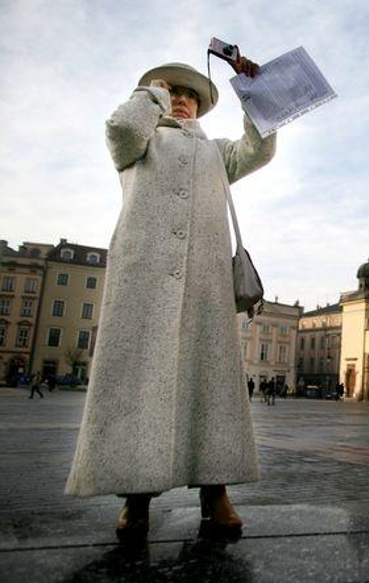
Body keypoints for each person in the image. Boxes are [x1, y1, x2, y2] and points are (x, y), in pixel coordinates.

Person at [64, 52, 276, 544]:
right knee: (139, 382)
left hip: (204, 284)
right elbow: (120, 128)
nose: (181, 100)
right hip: (143, 279)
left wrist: (254, 93)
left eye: (189, 96)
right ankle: (135, 498)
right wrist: (150, 96)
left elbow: (259, 148)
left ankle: (215, 491)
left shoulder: (216, 153)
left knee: (210, 383)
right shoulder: (139, 141)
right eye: (173, 92)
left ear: (201, 107)